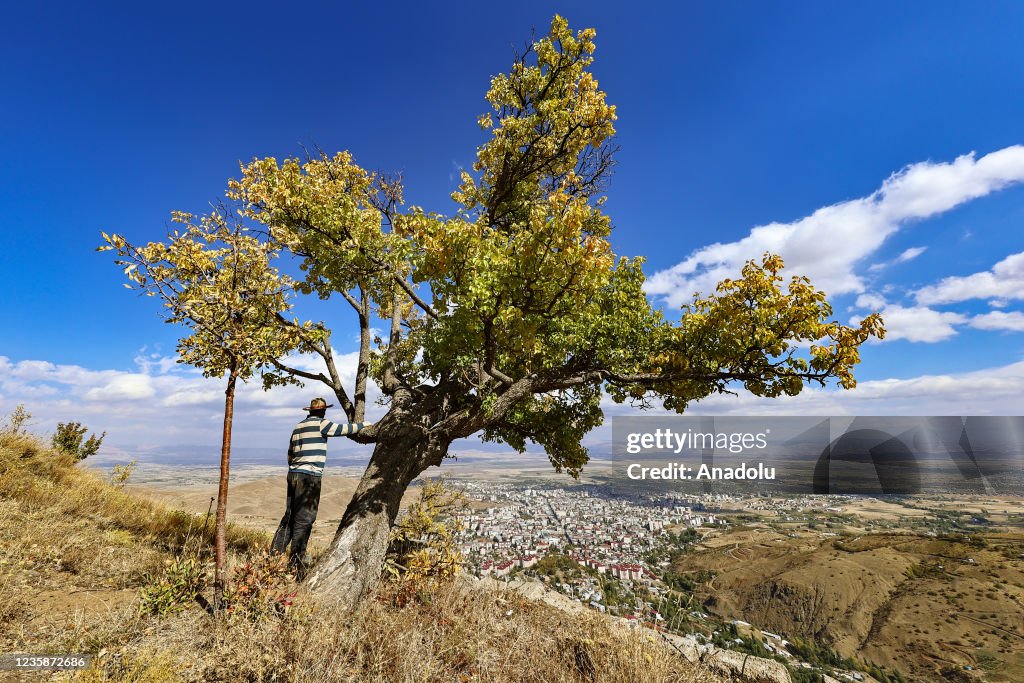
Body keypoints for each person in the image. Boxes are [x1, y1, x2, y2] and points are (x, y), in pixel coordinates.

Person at [271, 397, 371, 577]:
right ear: (323, 411)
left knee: (290, 516)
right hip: (309, 476)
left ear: (310, 410)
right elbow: (343, 429)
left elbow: (290, 454)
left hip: (293, 474)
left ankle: (271, 559)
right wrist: (363, 425)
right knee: (305, 519)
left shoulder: (298, 427)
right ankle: (297, 563)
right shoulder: (321, 424)